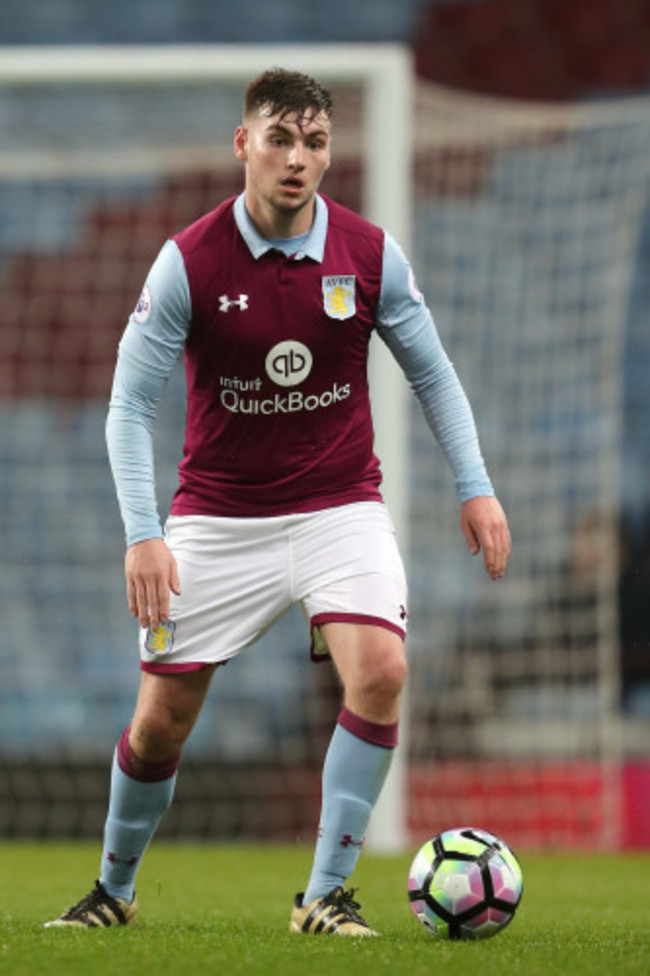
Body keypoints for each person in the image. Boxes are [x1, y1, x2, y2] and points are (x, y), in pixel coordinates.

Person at [45, 67, 511, 936]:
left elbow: (434, 376)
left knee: (381, 672)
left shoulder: (370, 255)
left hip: (340, 507)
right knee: (159, 725)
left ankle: (325, 895)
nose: (299, 160)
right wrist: (143, 534)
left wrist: (476, 486)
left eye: (316, 142)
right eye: (280, 139)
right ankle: (114, 888)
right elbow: (128, 404)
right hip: (217, 518)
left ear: (330, 152)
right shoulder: (188, 260)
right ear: (244, 145)